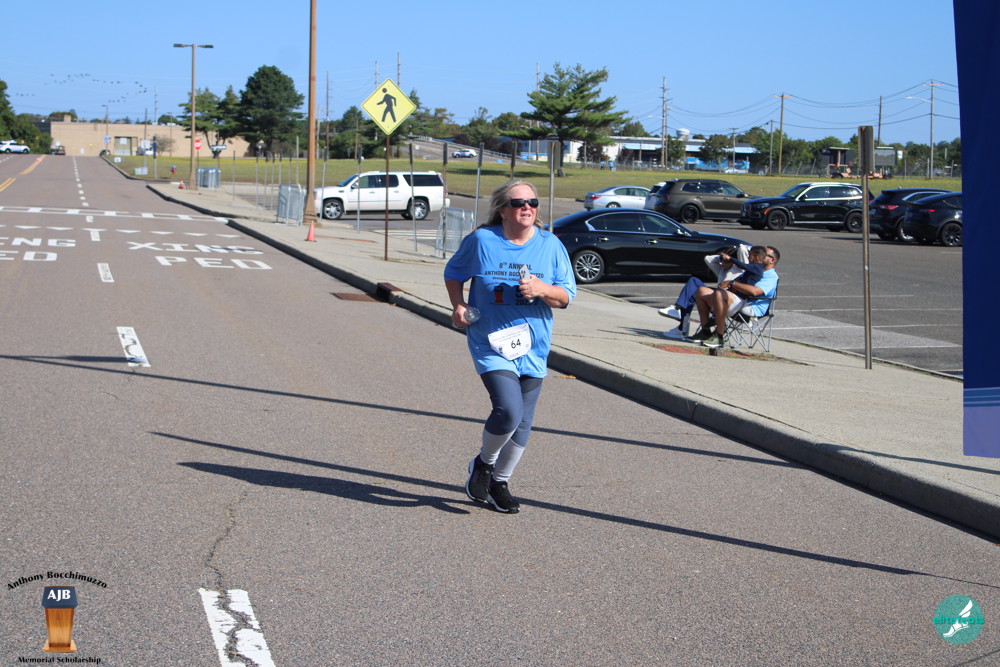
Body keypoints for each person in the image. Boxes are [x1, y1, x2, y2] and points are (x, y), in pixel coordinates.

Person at [444, 180, 576, 514]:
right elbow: (454, 272)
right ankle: (484, 463)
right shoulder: (482, 241)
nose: (527, 207)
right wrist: (458, 305)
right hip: (491, 342)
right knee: (509, 411)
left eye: (532, 202)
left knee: (524, 422)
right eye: (519, 203)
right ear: (503, 210)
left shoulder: (550, 245)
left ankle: (499, 482)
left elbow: (566, 296)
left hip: (533, 345)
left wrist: (542, 289)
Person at [658, 245, 767, 339]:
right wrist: (722, 257)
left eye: (725, 262)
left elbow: (743, 252)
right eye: (722, 261)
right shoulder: (722, 270)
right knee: (694, 283)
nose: (722, 263)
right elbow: (708, 259)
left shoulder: (741, 269)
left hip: (728, 298)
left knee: (703, 293)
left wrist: (732, 259)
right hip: (720, 294)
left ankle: (686, 326)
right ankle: (679, 312)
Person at [689, 246, 780, 349]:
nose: (761, 255)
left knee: (720, 294)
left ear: (772, 260)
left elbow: (754, 292)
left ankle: (719, 336)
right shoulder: (753, 268)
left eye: (765, 254)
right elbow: (739, 279)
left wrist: (732, 283)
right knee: (702, 291)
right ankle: (705, 332)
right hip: (738, 300)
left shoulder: (771, 276)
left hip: (750, 307)